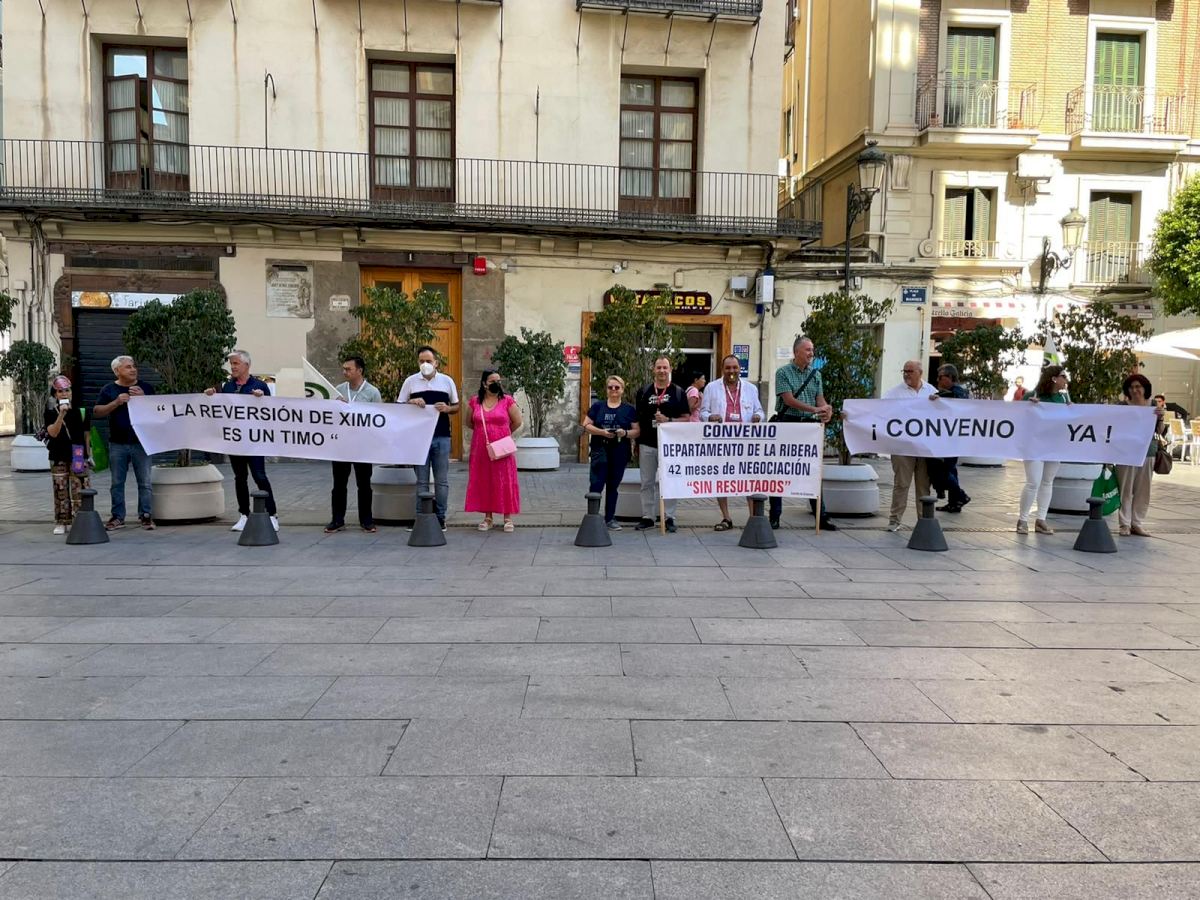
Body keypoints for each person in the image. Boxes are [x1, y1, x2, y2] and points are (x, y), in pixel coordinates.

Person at [768, 335, 837, 531]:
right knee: (779, 470)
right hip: (788, 423)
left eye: (812, 350)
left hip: (809, 427)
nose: (811, 353)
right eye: (807, 349)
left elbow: (820, 399)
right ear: (796, 352)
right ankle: (775, 516)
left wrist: (826, 410)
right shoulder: (783, 373)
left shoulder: (816, 374)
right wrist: (814, 409)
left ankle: (821, 516)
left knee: (812, 471)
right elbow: (789, 400)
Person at [206, 350, 278, 532]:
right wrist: (211, 397)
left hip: (254, 441)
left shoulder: (260, 385)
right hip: (235, 441)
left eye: (236, 363)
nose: (232, 367)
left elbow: (272, 411)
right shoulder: (228, 387)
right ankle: (244, 515)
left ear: (247, 365)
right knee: (240, 478)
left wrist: (262, 398)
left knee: (259, 476)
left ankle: (271, 514)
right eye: (231, 364)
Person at [399, 346, 459, 531]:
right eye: (421, 361)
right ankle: (421, 517)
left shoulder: (447, 381)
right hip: (419, 437)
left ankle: (440, 518)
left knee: (441, 481)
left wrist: (447, 409)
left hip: (441, 436)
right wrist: (412, 402)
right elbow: (399, 406)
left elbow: (456, 406)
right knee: (421, 481)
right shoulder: (410, 382)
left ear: (436, 363)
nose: (425, 364)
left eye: (428, 361)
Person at [701, 353, 764, 531]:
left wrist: (758, 417)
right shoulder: (711, 388)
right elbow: (703, 412)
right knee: (721, 479)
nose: (731, 371)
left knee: (749, 479)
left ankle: (753, 518)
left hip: (746, 443)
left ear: (739, 369)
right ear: (722, 369)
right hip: (721, 443)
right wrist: (710, 417)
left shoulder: (751, 389)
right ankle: (726, 518)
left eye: (735, 367)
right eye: (728, 368)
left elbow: (760, 411)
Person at [94, 355, 156, 531]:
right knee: (117, 483)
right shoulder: (109, 389)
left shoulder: (146, 388)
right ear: (117, 371)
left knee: (145, 482)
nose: (133, 369)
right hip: (117, 444)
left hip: (141, 443)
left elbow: (158, 411)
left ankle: (146, 515)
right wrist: (116, 402)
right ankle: (117, 516)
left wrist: (144, 398)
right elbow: (97, 411)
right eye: (128, 367)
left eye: (133, 366)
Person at [325, 356, 383, 534]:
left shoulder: (372, 392)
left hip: (362, 445)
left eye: (348, 369)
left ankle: (366, 520)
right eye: (344, 369)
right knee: (339, 484)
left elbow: (378, 417)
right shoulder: (339, 390)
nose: (345, 372)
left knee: (364, 484)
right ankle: (337, 520)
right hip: (341, 444)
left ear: (359, 370)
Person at [634, 356, 691, 533]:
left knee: (670, 481)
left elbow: (686, 418)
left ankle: (669, 517)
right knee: (647, 482)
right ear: (653, 369)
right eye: (658, 367)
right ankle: (648, 517)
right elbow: (637, 419)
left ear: (670, 369)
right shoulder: (644, 391)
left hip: (670, 445)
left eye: (665, 367)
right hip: (647, 443)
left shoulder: (678, 392)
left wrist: (669, 420)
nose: (662, 371)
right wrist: (635, 442)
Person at [1016, 364, 1071, 535]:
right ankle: (1022, 520)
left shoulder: (1063, 398)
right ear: (1054, 378)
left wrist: (1072, 409)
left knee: (1047, 482)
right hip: (1034, 444)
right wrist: (1029, 407)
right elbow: (1017, 415)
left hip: (1054, 445)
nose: (1066, 380)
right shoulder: (1032, 395)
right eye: (1063, 376)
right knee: (1033, 482)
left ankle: (1041, 519)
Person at [465, 370, 522, 532]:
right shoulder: (475, 401)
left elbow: (517, 421)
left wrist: (503, 434)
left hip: (502, 448)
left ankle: (507, 517)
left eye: (499, 380)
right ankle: (487, 517)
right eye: (492, 381)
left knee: (504, 480)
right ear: (484, 384)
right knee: (484, 480)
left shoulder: (507, 400)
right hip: (481, 449)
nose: (497, 383)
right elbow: (469, 422)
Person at [883, 360, 936, 532]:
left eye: (910, 371)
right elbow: (879, 412)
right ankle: (894, 520)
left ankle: (924, 520)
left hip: (924, 447)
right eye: (904, 371)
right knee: (901, 484)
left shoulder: (932, 392)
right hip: (902, 447)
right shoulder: (893, 393)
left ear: (920, 373)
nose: (906, 374)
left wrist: (938, 403)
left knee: (923, 486)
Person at [582, 375, 639, 530]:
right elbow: (586, 425)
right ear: (606, 389)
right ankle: (592, 518)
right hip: (599, 450)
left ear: (622, 390)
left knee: (613, 486)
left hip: (620, 451)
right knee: (596, 484)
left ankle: (609, 519)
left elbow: (637, 431)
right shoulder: (598, 407)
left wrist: (624, 433)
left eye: (617, 387)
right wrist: (602, 432)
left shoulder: (629, 409)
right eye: (610, 387)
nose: (613, 390)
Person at [1117, 373, 1167, 537]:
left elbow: (1159, 431)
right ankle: (1124, 524)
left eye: (1138, 386)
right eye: (1131, 387)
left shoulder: (1153, 405)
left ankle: (1136, 523)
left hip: (1148, 451)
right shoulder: (1122, 406)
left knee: (1143, 489)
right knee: (1125, 488)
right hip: (1126, 452)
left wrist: (1160, 418)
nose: (1135, 390)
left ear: (1145, 388)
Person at [44, 375, 92, 535]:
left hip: (78, 453)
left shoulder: (81, 410)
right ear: (55, 394)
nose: (64, 393)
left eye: (67, 390)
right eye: (60, 391)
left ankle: (80, 520)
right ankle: (62, 521)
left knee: (79, 488)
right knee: (60, 489)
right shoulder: (50, 411)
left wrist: (88, 455)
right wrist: (61, 415)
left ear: (72, 392)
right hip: (58, 453)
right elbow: (53, 432)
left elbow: (86, 435)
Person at [928, 364, 971, 513]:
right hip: (949, 437)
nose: (938, 380)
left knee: (942, 469)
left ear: (950, 377)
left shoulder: (956, 393)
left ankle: (960, 496)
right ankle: (955, 502)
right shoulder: (949, 393)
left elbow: (956, 406)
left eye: (941, 377)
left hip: (951, 438)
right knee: (950, 469)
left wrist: (940, 399)